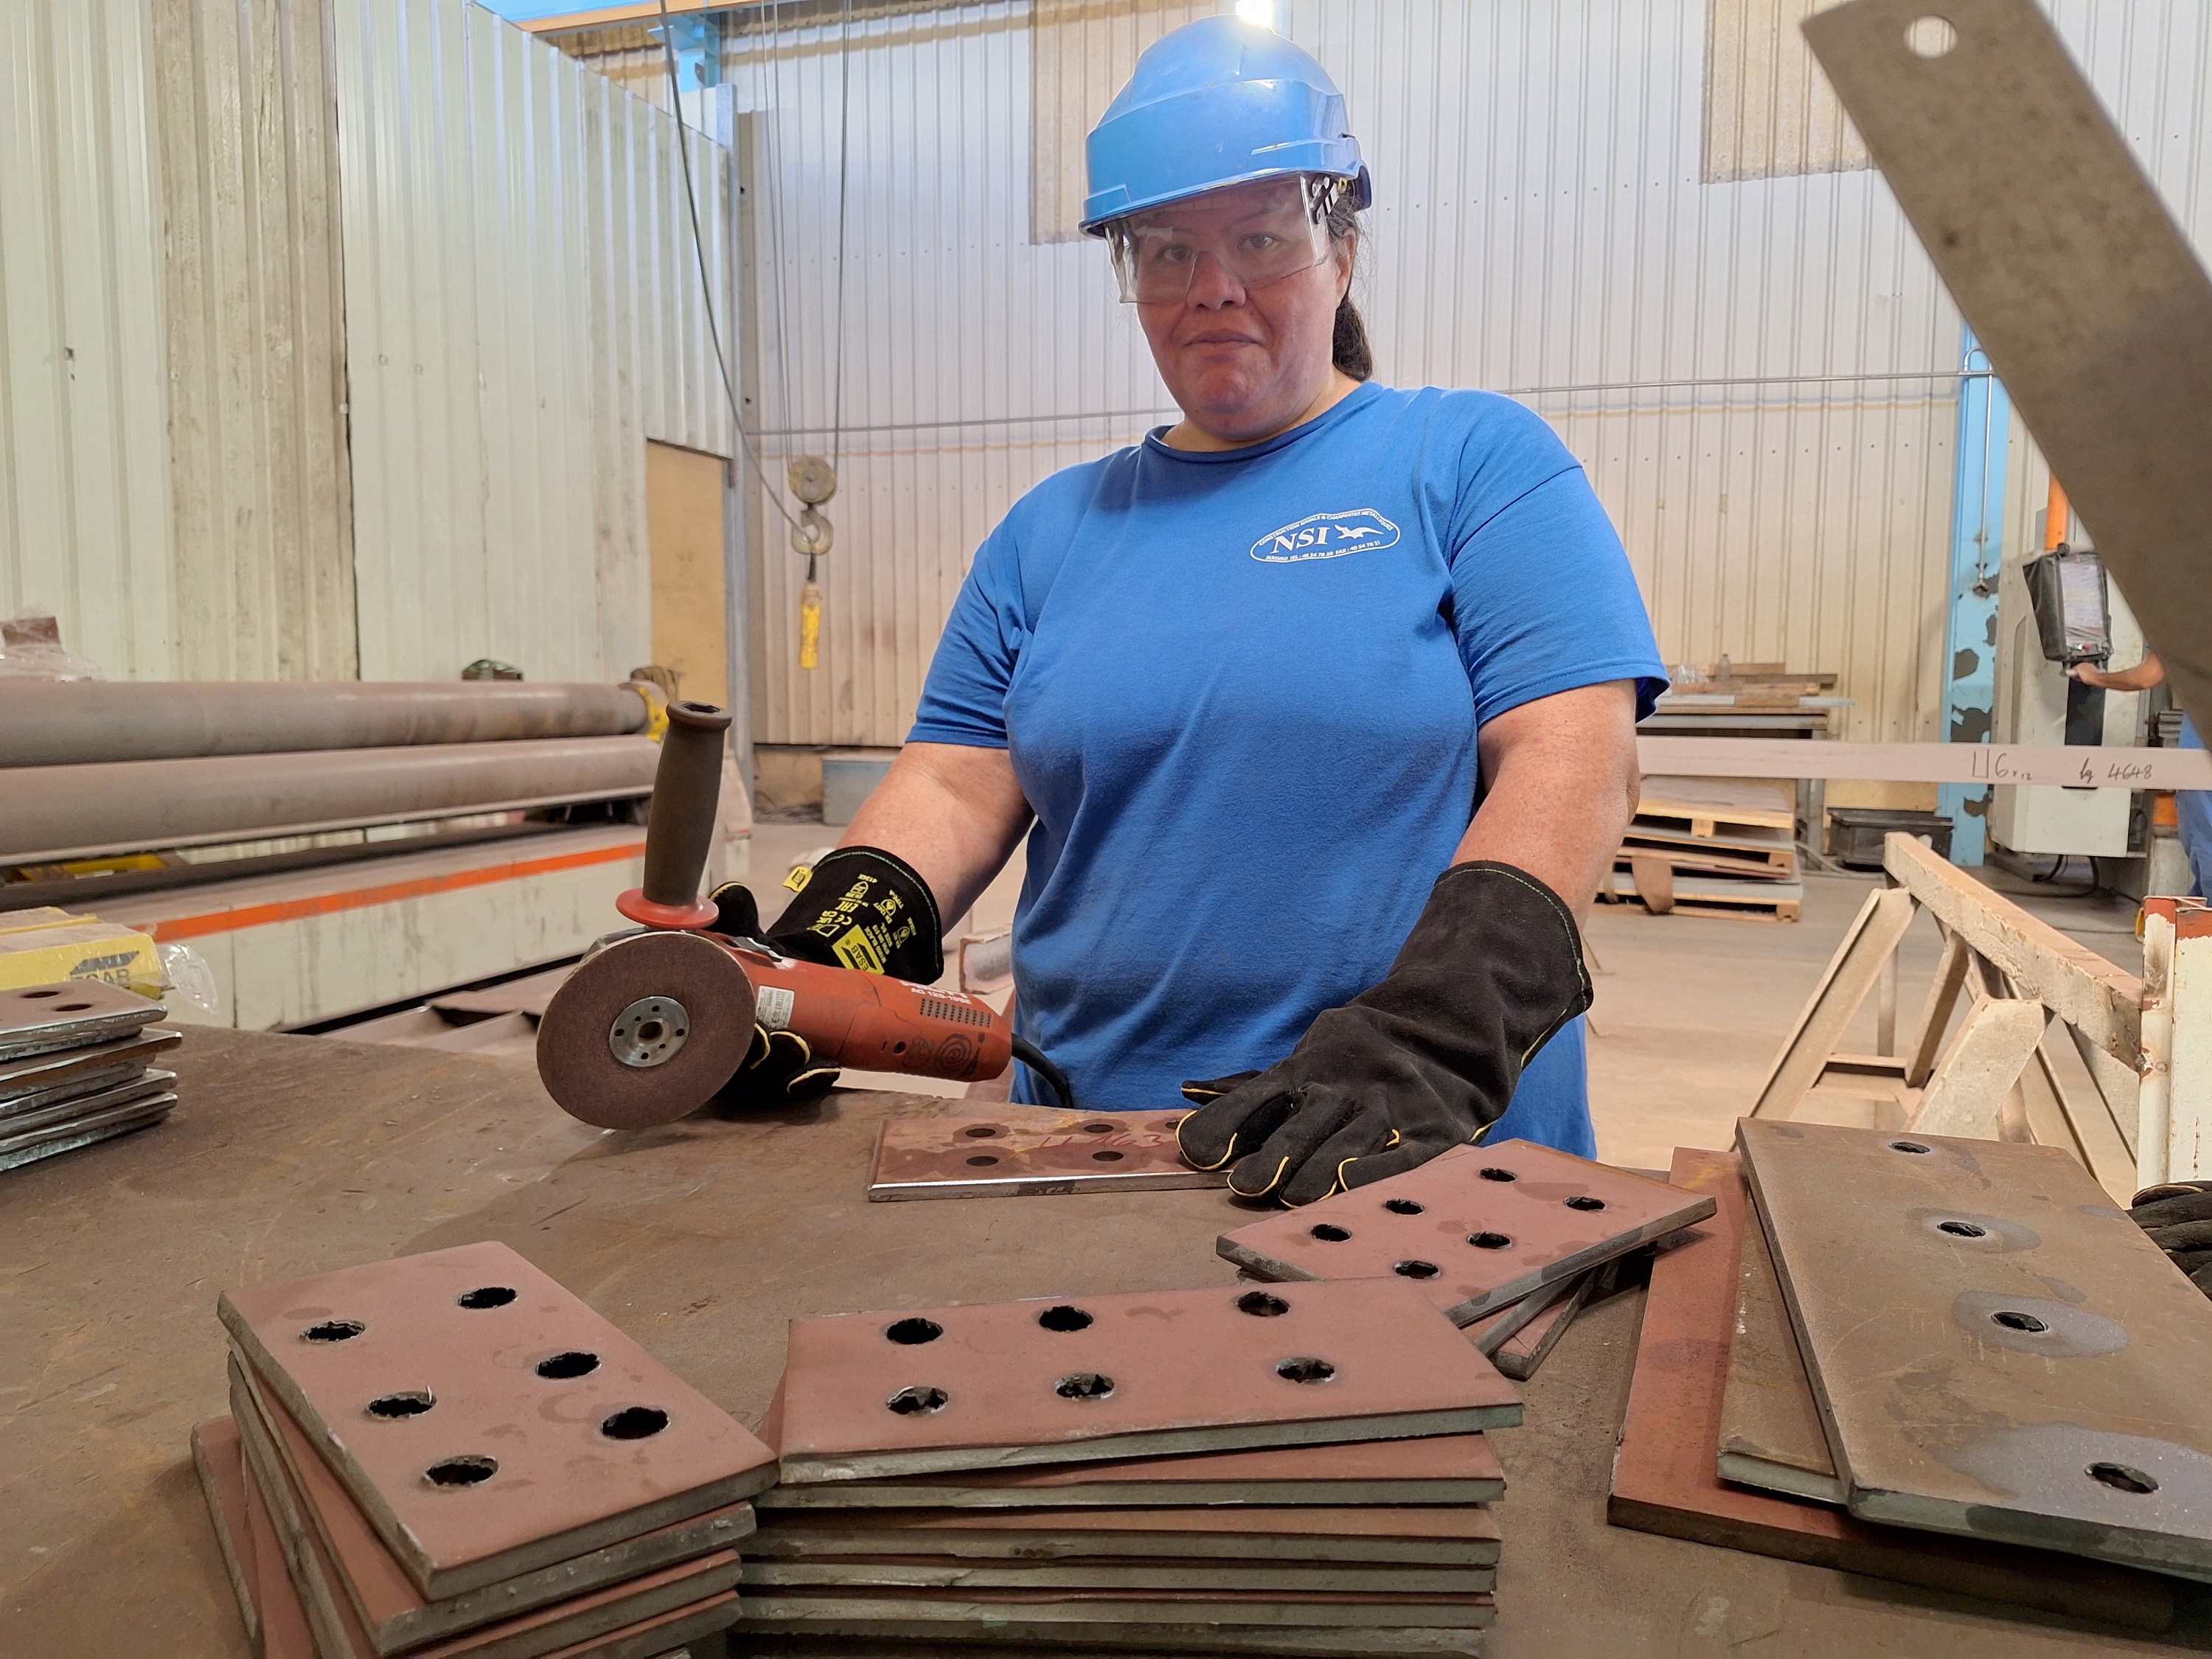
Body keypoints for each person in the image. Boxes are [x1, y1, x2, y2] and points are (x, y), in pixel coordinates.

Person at [714, 16, 1666, 1205]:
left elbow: (1575, 756)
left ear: (1342, 251)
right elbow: (953, 788)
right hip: (1088, 1145)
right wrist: (808, 959)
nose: (1214, 290)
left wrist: (1433, 1035)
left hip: (1411, 1143)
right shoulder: (1049, 533)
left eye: (1262, 239)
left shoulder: (1473, 463)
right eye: (1166, 252)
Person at [2070, 651, 2211, 898]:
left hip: (2201, 754)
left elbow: (2144, 678)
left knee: (2206, 843)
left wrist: (2094, 676)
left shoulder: (2190, 617)